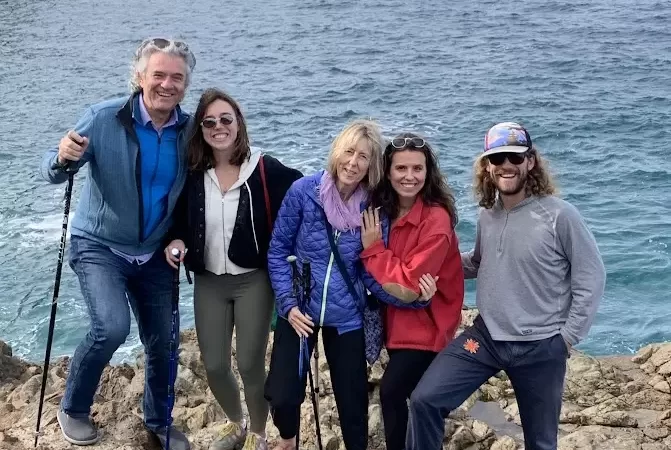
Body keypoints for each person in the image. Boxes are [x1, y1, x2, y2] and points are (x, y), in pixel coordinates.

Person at [406, 122, 606, 450]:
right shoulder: (490, 214)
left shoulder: (560, 215)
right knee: (425, 400)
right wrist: (427, 266)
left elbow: (591, 276)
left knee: (541, 443)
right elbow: (479, 262)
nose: (506, 165)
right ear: (487, 166)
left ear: (530, 161)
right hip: (485, 339)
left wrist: (567, 339)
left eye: (515, 157)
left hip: (540, 348)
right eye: (497, 159)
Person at [39, 37, 196, 450]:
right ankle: (73, 408)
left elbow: (197, 187)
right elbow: (54, 173)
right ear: (140, 77)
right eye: (158, 74)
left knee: (164, 339)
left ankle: (159, 422)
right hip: (99, 244)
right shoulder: (104, 118)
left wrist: (180, 235)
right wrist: (61, 156)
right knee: (110, 326)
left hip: (157, 249)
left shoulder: (190, 129)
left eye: (176, 77)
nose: (167, 84)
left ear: (186, 84)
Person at [263, 120, 436, 450]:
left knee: (354, 407)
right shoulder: (304, 193)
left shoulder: (373, 210)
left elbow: (372, 272)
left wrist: (414, 299)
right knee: (284, 397)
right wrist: (287, 303)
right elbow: (277, 251)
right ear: (336, 152)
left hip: (347, 317)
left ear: (372, 167)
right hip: (299, 309)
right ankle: (288, 439)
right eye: (349, 152)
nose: (353, 163)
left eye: (364, 157)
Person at [164, 88, 302, 450]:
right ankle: (235, 421)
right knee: (213, 364)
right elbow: (180, 219)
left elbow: (308, 191)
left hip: (253, 281)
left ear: (239, 123)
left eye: (226, 119)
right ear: (201, 129)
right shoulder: (194, 172)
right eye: (209, 122)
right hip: (208, 280)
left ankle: (258, 431)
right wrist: (176, 242)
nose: (218, 127)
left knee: (250, 363)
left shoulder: (264, 168)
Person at [359, 133, 465, 450]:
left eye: (417, 169)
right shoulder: (385, 211)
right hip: (397, 324)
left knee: (392, 393)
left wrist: (374, 250)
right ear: (387, 172)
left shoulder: (435, 218)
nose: (409, 177)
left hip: (428, 325)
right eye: (401, 169)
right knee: (414, 400)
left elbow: (407, 284)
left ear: (427, 172)